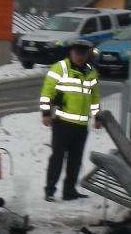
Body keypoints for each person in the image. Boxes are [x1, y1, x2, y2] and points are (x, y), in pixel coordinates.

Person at [40, 37, 103, 202]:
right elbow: (47, 93)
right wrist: (46, 113)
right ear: (71, 52)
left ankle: (69, 191)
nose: (80, 56)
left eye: (83, 53)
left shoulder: (92, 73)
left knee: (75, 161)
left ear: (87, 54)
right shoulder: (60, 68)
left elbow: (94, 98)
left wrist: (97, 116)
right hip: (62, 124)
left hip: (81, 126)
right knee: (57, 159)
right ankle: (50, 191)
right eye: (77, 53)